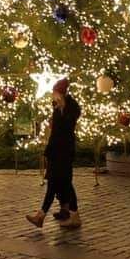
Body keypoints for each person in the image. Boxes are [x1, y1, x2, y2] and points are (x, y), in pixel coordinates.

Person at [26, 78, 81, 228]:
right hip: (60, 151)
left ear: (59, 94)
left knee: (58, 184)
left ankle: (42, 216)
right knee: (63, 183)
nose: (52, 95)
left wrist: (55, 123)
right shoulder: (63, 107)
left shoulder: (65, 108)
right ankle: (66, 212)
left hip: (60, 151)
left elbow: (61, 131)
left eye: (54, 92)